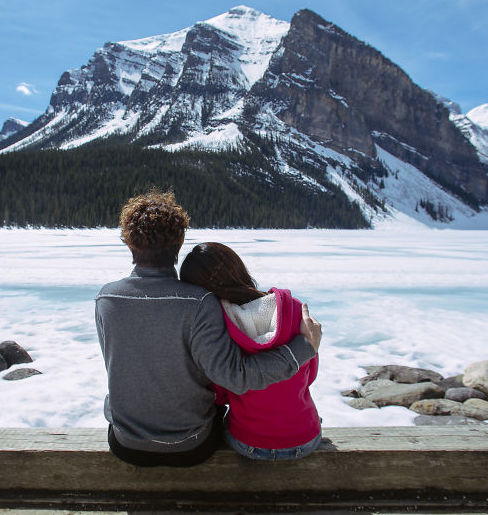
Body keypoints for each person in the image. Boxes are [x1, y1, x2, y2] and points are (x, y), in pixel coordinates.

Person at [95, 190, 322, 467]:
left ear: (130, 243)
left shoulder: (106, 299)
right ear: (179, 243)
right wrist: (303, 349)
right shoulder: (199, 302)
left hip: (126, 444)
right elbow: (235, 377)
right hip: (190, 446)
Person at [180, 242, 321, 460]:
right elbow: (310, 374)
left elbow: (221, 391)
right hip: (305, 437)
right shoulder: (294, 309)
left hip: (250, 442)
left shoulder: (218, 329)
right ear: (237, 267)